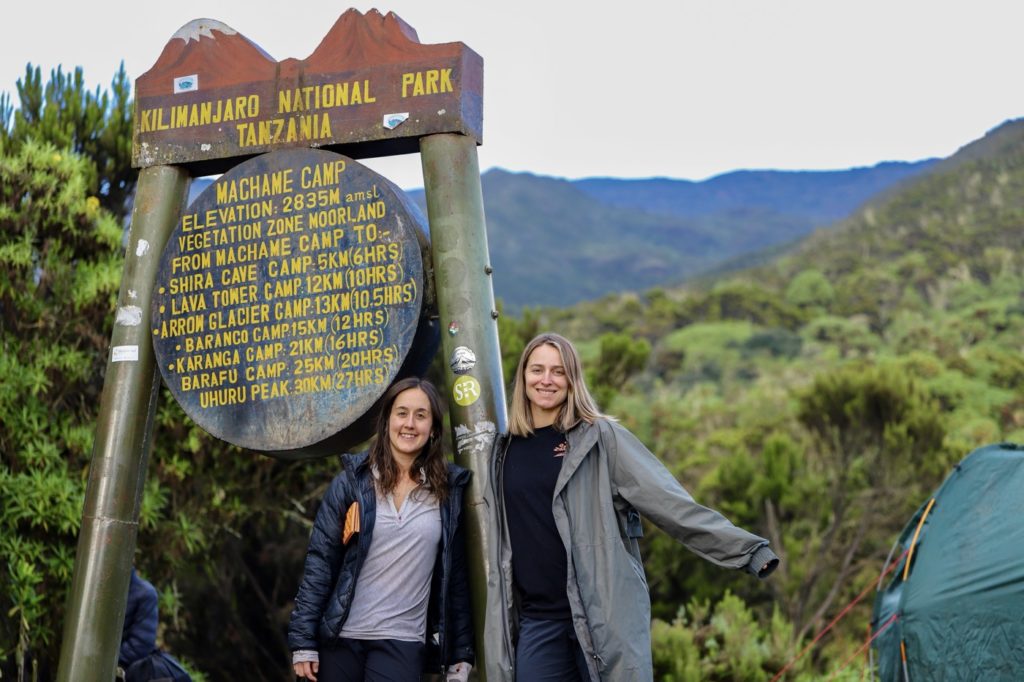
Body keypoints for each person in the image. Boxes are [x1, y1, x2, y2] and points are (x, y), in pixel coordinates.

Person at [483, 332, 780, 681]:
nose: (546, 380)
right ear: (522, 378)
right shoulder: (501, 453)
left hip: (605, 619)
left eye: (558, 371)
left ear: (572, 380)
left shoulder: (601, 440)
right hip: (538, 623)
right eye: (537, 370)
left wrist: (748, 551)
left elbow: (671, 504)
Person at [288, 377, 475, 682]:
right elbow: (320, 562)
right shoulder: (353, 481)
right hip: (341, 637)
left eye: (421, 415)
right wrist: (303, 642)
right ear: (387, 420)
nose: (410, 424)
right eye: (401, 413)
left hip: (402, 642)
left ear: (434, 429)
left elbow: (455, 578)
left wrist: (461, 654)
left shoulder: (449, 490)